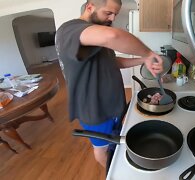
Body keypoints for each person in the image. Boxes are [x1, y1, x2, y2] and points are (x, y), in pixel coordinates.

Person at [55, 0, 163, 168]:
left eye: (115, 14)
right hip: (95, 109)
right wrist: (148, 53)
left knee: (115, 143)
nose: (112, 18)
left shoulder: (94, 37)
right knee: (102, 151)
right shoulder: (69, 29)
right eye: (108, 13)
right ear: (90, 7)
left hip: (111, 106)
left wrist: (143, 60)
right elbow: (112, 35)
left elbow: (113, 61)